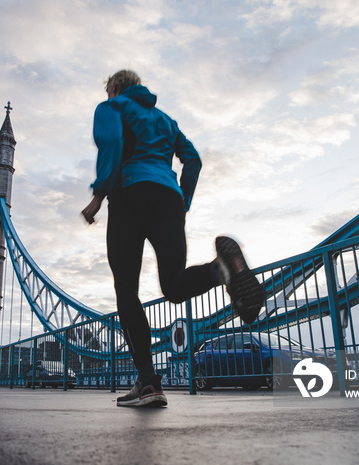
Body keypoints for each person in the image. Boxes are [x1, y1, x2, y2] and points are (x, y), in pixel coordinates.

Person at [82, 70, 263, 407]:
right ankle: (220, 270)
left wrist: (99, 194)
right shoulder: (165, 119)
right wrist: (184, 199)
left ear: (116, 87)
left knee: (126, 289)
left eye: (108, 89)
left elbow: (113, 143)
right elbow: (192, 159)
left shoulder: (113, 108)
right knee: (174, 285)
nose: (107, 94)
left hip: (129, 195)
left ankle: (148, 383)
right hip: (168, 198)